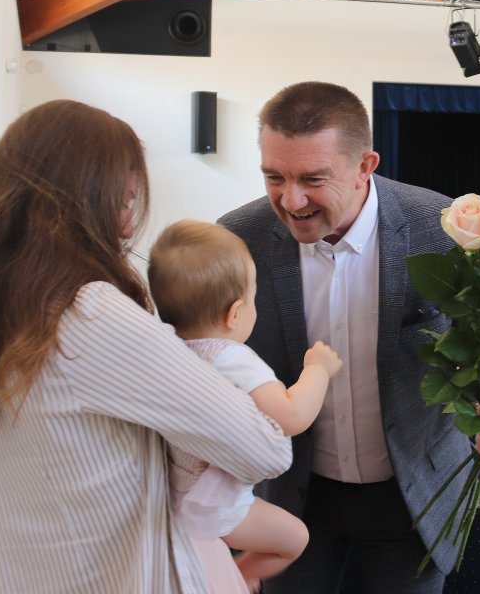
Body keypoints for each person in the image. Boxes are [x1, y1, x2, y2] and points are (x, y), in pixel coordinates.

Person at [0, 100, 293, 593]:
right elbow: (264, 449)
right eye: (124, 201)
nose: (127, 226)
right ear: (84, 203)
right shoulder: (88, 313)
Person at [218, 81, 480, 594]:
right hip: (293, 494)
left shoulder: (446, 231)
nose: (290, 200)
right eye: (274, 176)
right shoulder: (237, 239)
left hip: (415, 494)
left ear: (365, 166)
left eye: (313, 179)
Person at [147, 219, 343, 592]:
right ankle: (238, 576)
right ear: (235, 313)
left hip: (174, 498)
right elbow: (291, 416)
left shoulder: (167, 352)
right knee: (294, 539)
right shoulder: (231, 358)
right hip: (219, 507)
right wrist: (317, 370)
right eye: (254, 297)